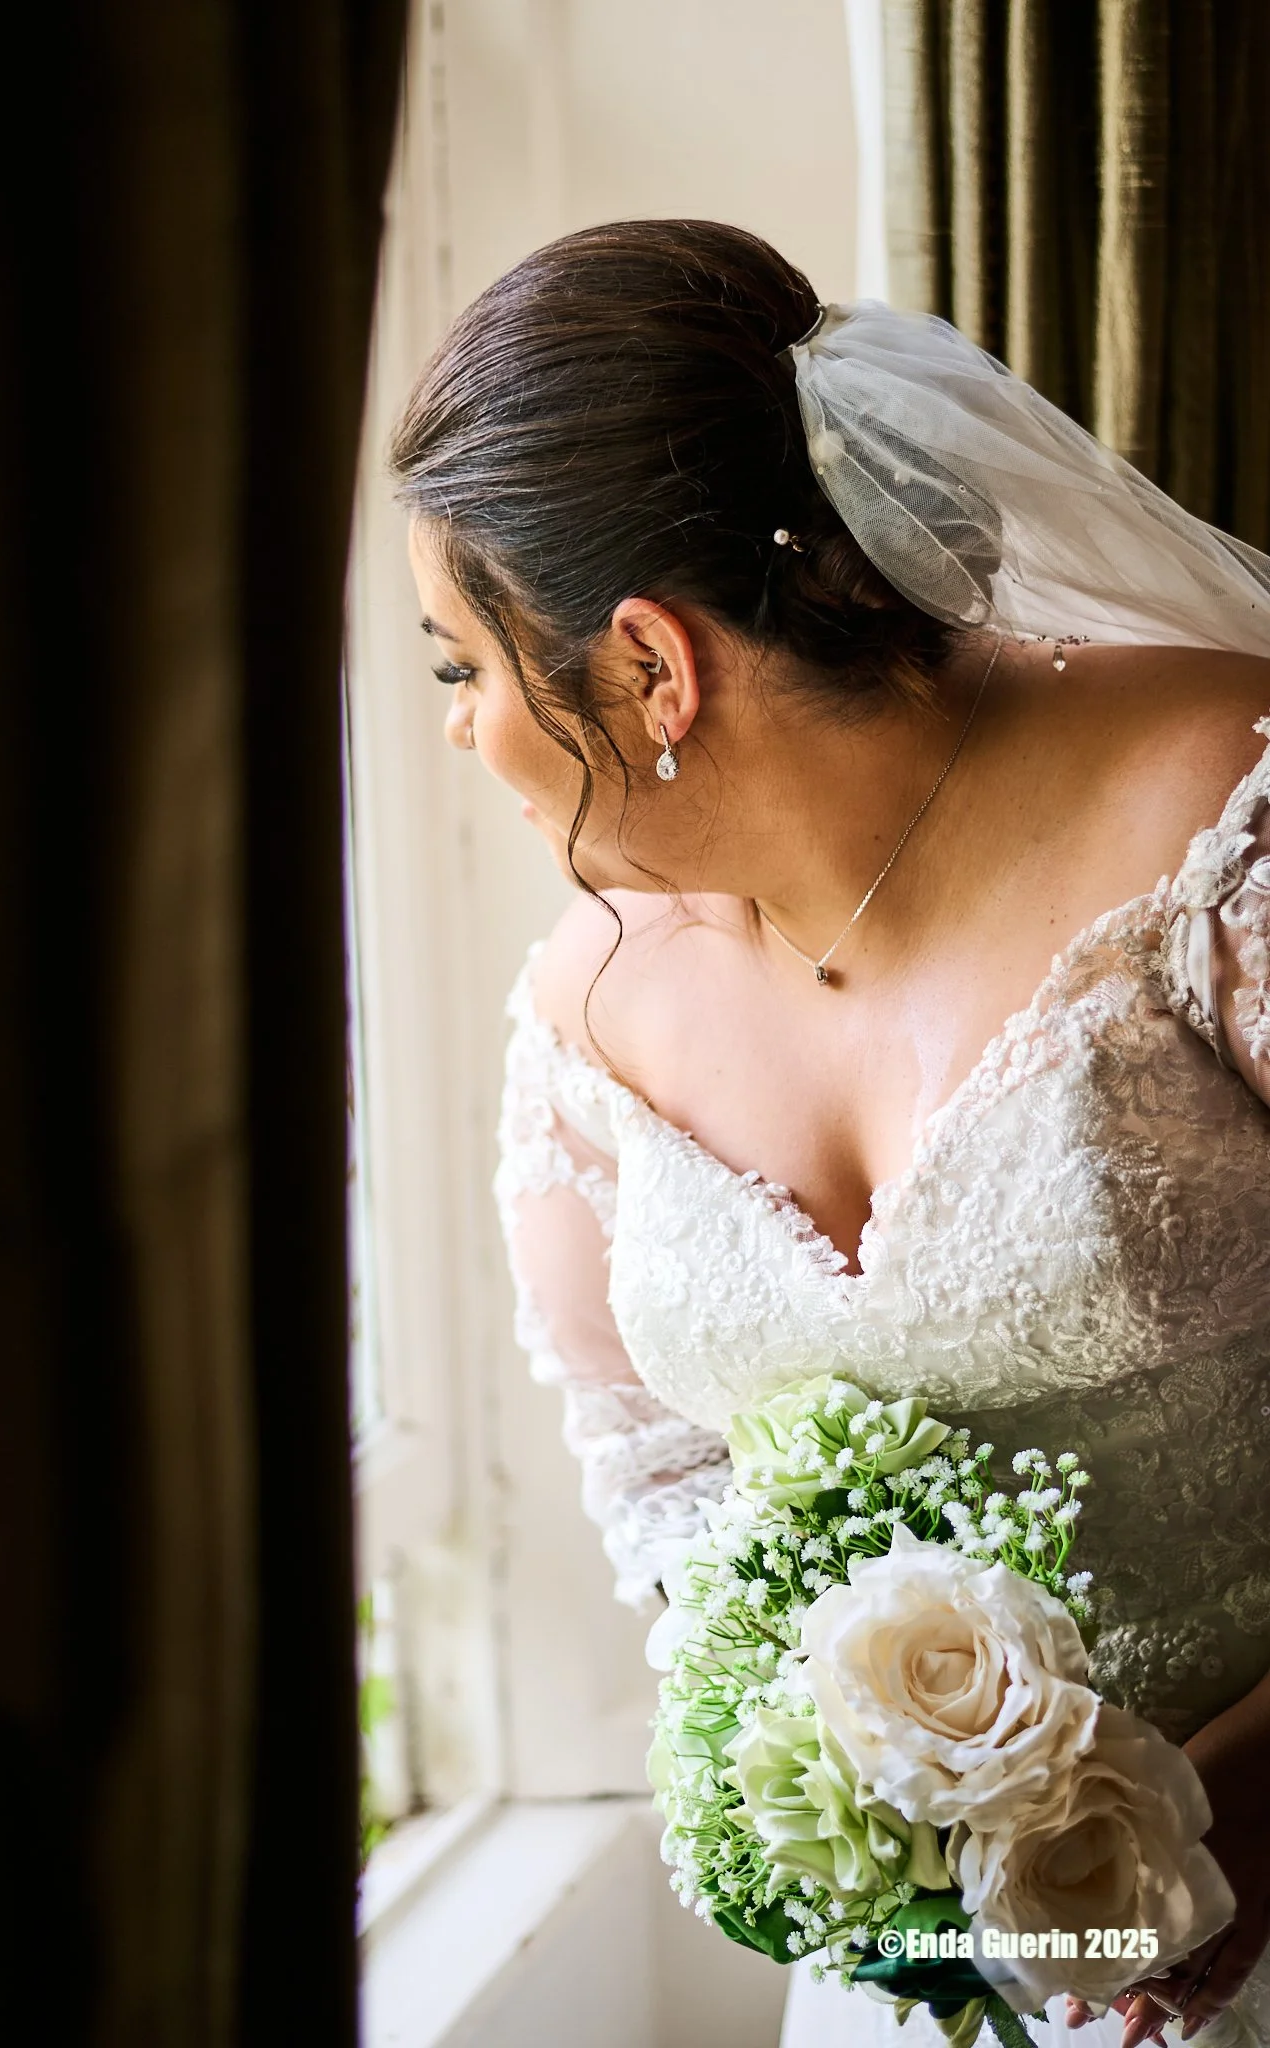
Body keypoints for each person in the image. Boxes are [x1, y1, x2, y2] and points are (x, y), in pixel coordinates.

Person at [390, 218, 1270, 2048]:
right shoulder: (585, 1021)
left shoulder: (1216, 815)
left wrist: (1250, 1803)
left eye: (462, 668)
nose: (462, 732)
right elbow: (671, 1495)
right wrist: (854, 1811)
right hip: (932, 1988)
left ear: (649, 664)